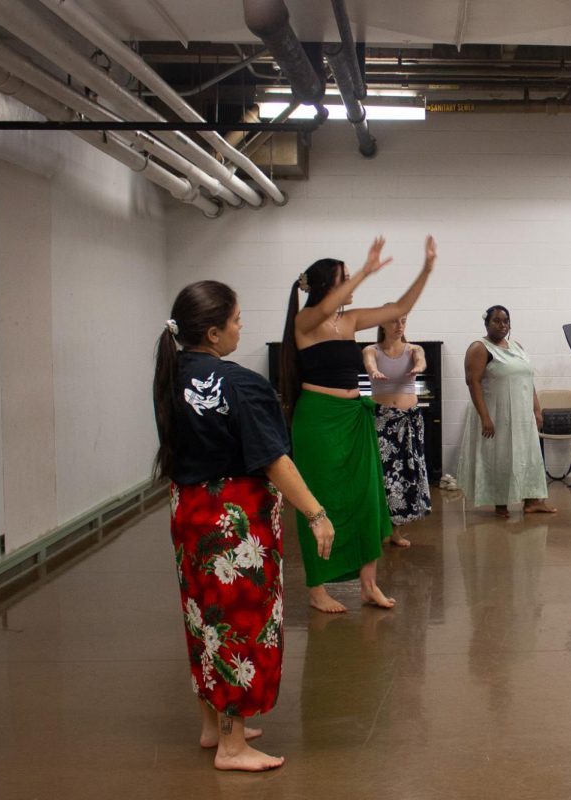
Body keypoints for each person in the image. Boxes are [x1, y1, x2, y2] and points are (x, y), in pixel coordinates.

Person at [153, 280, 334, 772]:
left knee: (204, 619)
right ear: (212, 333)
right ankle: (233, 749)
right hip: (232, 520)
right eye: (235, 320)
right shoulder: (239, 383)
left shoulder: (171, 372)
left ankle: (215, 726)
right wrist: (316, 513)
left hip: (189, 512)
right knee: (239, 623)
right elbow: (272, 459)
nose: (240, 326)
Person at [281, 235, 436, 613]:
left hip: (354, 418)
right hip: (319, 420)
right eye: (344, 278)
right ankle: (317, 588)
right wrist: (365, 271)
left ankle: (368, 584)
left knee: (369, 500)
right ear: (326, 286)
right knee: (321, 500)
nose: (350, 284)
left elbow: (399, 306)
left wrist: (426, 269)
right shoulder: (305, 320)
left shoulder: (349, 320)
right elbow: (325, 306)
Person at [457, 305, 557, 518]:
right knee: (500, 457)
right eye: (497, 320)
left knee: (527, 456)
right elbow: (472, 382)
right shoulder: (479, 347)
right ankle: (499, 503)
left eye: (506, 321)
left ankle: (532, 501)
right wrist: (485, 417)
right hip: (495, 414)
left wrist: (537, 410)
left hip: (522, 416)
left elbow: (528, 380)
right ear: (487, 323)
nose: (502, 325)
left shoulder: (517, 346)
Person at [362, 314, 432, 546]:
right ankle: (378, 528)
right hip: (382, 419)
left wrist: (417, 368)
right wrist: (373, 372)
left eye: (403, 321)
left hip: (409, 419)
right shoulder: (371, 350)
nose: (399, 326)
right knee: (382, 475)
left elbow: (421, 360)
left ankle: (395, 531)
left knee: (404, 476)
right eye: (394, 321)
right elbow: (370, 363)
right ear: (381, 323)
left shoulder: (413, 350)